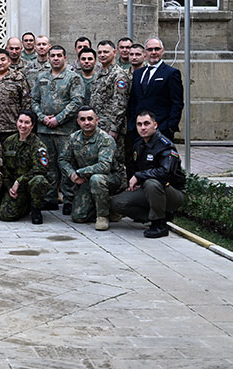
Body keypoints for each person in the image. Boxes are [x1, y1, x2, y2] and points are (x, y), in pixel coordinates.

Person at [110, 110, 187, 238]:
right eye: (139, 124)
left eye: (146, 123)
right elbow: (132, 168)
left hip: (173, 193)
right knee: (117, 203)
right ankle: (158, 215)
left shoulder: (165, 146)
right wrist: (134, 183)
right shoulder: (138, 145)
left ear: (155, 125)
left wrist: (140, 176)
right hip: (149, 190)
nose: (143, 128)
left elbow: (165, 172)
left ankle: (159, 224)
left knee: (152, 182)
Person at [58, 107, 126, 231]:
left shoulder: (105, 139)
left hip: (110, 179)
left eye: (90, 119)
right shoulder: (74, 138)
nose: (87, 122)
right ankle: (110, 208)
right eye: (83, 119)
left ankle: (102, 216)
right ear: (78, 121)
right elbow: (63, 160)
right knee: (78, 216)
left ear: (97, 120)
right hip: (86, 180)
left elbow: (104, 166)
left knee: (97, 179)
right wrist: (72, 173)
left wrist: (80, 172)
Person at [30, 45, 81, 211]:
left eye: (59, 55)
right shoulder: (42, 77)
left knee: (66, 164)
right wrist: (42, 117)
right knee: (48, 165)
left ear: (65, 57)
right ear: (49, 58)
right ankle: (50, 197)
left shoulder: (73, 78)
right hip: (44, 130)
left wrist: (58, 119)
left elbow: (77, 102)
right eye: (53, 56)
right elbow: (34, 100)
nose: (56, 58)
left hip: (65, 130)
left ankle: (69, 200)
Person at [127, 38, 184, 143]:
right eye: (150, 49)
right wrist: (131, 125)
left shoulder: (171, 73)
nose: (153, 52)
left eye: (157, 49)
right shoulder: (138, 73)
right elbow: (133, 101)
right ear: (145, 53)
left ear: (163, 51)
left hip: (161, 130)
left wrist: (170, 127)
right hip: (138, 130)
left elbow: (177, 102)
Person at [0, 110, 50, 224]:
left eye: (27, 123)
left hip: (29, 184)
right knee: (6, 215)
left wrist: (19, 181)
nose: (23, 125)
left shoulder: (38, 145)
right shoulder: (9, 141)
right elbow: (4, 167)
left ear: (32, 125)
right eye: (20, 121)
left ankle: (36, 209)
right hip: (15, 187)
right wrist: (9, 187)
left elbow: (41, 168)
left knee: (39, 180)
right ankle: (24, 205)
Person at [91, 40, 130, 178]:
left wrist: (114, 129)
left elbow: (120, 104)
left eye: (106, 52)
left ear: (114, 53)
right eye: (100, 52)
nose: (102, 55)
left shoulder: (119, 75)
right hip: (98, 126)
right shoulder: (99, 72)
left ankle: (120, 194)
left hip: (111, 128)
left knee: (115, 162)